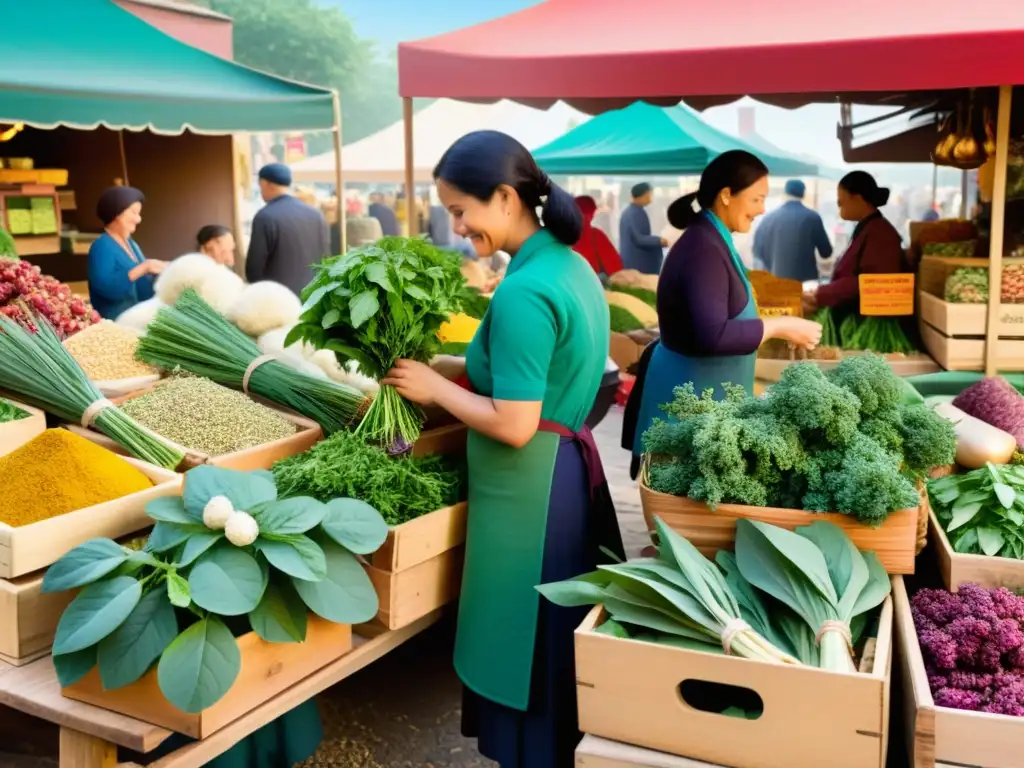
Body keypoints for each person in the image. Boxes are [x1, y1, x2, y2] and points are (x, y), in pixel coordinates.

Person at [382, 129, 625, 768]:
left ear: (506, 198)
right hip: (561, 478)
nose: (458, 227)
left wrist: (435, 384)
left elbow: (516, 422)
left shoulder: (522, 290)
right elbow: (536, 375)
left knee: (523, 640)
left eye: (461, 211)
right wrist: (438, 367)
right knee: (550, 639)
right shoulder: (566, 264)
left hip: (528, 491)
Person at [623, 151, 822, 474]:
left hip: (705, 412)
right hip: (686, 411)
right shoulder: (703, 248)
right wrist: (779, 326)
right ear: (726, 195)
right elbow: (711, 335)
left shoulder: (714, 239)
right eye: (757, 199)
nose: (762, 209)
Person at [802, 171, 909, 320]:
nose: (839, 205)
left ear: (857, 198)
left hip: (867, 320)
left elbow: (871, 283)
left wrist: (821, 294)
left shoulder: (880, 233)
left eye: (841, 200)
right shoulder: (869, 227)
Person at [245, 163, 330, 294]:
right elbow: (325, 254)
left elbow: (254, 267)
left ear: (267, 184)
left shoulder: (265, 216)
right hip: (313, 295)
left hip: (278, 298)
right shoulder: (316, 214)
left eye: (261, 186)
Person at [87, 186, 166, 320]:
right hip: (115, 326)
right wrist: (143, 268)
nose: (138, 219)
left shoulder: (132, 244)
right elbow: (107, 289)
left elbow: (143, 288)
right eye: (134, 213)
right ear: (117, 214)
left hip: (138, 321)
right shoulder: (101, 246)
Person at [752, 179, 832, 281]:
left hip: (776, 285)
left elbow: (757, 254)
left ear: (785, 193)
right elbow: (826, 253)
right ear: (803, 194)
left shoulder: (768, 219)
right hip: (805, 288)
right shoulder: (813, 217)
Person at [618, 182, 667, 274]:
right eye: (648, 196)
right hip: (638, 265)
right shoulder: (633, 213)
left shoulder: (635, 211)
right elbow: (638, 238)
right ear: (641, 195)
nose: (650, 199)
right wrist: (658, 241)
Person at [572, 195, 622, 279]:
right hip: (592, 281)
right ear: (592, 211)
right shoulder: (595, 234)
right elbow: (614, 266)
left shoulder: (558, 234)